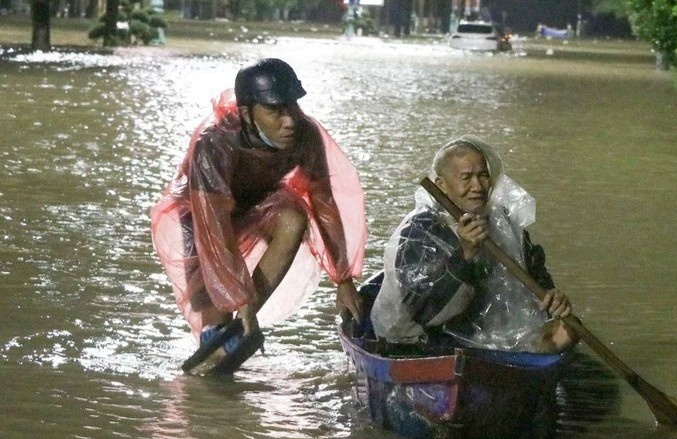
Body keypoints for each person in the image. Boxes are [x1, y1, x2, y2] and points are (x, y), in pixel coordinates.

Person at [151, 58, 366, 373]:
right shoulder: (215, 142)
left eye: (292, 107)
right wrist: (237, 298)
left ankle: (242, 324)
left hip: (256, 205)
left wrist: (343, 279)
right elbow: (215, 229)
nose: (289, 120)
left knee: (294, 217)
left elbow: (324, 203)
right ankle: (219, 341)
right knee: (215, 319)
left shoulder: (305, 134)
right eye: (275, 111)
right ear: (247, 114)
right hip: (198, 217)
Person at [370, 135, 574, 353]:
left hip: (486, 333)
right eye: (466, 177)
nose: (477, 186)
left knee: (568, 330)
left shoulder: (503, 224)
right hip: (424, 340)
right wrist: (465, 254)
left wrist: (553, 298)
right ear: (442, 185)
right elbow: (424, 312)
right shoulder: (420, 230)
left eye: (483, 176)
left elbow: (538, 281)